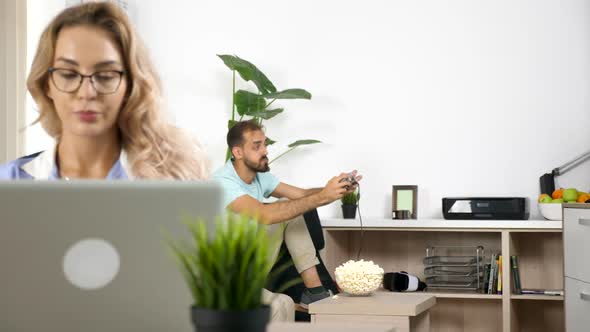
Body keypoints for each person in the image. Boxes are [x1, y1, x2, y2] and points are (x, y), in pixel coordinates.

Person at [0, 1, 294, 323]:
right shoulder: (12, 182)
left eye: (106, 75)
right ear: (46, 84)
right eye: (69, 74)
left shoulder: (171, 179)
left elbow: (194, 291)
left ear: (130, 85)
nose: (87, 91)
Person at [212, 120, 362, 311]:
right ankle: (315, 294)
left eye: (264, 144)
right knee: (285, 208)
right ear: (238, 152)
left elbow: (301, 195)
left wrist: (335, 189)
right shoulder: (222, 183)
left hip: (254, 266)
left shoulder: (259, 176)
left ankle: (315, 292)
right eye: (257, 146)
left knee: (290, 207)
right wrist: (324, 195)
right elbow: (264, 214)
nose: (265, 150)